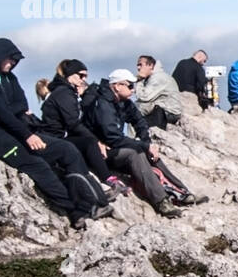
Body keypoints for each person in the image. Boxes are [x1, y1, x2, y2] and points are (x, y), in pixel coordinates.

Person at [0, 38, 111, 230]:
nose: (12, 63)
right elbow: (5, 111)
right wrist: (23, 131)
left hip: (17, 128)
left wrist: (2, 112)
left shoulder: (10, 78)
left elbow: (20, 106)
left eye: (14, 60)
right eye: (8, 59)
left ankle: (90, 200)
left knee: (67, 149)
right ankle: (75, 211)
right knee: (38, 165)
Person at [81, 69, 206, 217]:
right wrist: (144, 146)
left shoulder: (123, 102)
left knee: (149, 153)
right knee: (134, 154)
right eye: (129, 86)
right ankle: (161, 202)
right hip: (99, 152)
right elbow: (111, 137)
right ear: (117, 86)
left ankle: (182, 192)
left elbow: (139, 122)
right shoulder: (103, 104)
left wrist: (148, 144)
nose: (133, 90)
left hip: (113, 146)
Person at [40, 59, 122, 197]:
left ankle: (106, 179)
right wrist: (96, 141)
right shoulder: (63, 93)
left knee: (87, 142)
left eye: (86, 76)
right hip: (53, 138)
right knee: (89, 143)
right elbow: (73, 123)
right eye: (81, 75)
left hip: (60, 136)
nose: (84, 79)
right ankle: (107, 180)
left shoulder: (66, 91)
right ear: (70, 74)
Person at [134, 55, 184, 129]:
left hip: (168, 112)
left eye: (140, 65)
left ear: (150, 65)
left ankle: (133, 138)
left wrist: (139, 80)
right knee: (135, 106)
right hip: (163, 109)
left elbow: (144, 97)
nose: (138, 68)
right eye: (137, 65)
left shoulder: (158, 77)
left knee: (135, 109)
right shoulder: (153, 77)